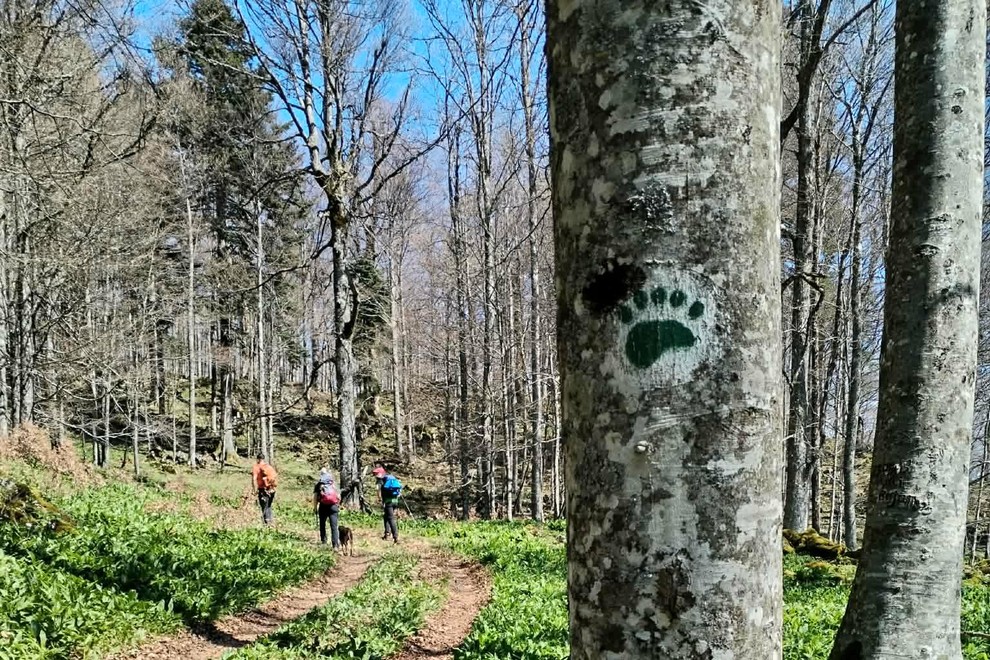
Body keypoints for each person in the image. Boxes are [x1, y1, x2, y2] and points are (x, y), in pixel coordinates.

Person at [313, 468, 341, 549]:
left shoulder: (319, 484)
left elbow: (315, 497)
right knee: (334, 526)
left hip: (323, 506)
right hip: (333, 506)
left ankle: (324, 541)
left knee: (322, 524)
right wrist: (337, 504)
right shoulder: (333, 483)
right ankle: (335, 545)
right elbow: (338, 495)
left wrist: (315, 508)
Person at [372, 464, 400, 544]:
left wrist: (380, 499)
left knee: (391, 518)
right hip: (395, 501)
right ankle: (387, 533)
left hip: (388, 501)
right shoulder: (391, 478)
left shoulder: (380, 480)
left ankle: (395, 537)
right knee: (386, 516)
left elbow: (378, 491)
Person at [252, 454, 278, 525]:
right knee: (269, 506)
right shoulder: (268, 466)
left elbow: (254, 479)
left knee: (264, 507)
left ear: (258, 459)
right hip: (271, 489)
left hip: (263, 490)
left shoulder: (256, 467)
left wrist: (254, 490)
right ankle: (271, 522)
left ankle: (267, 524)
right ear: (263, 459)